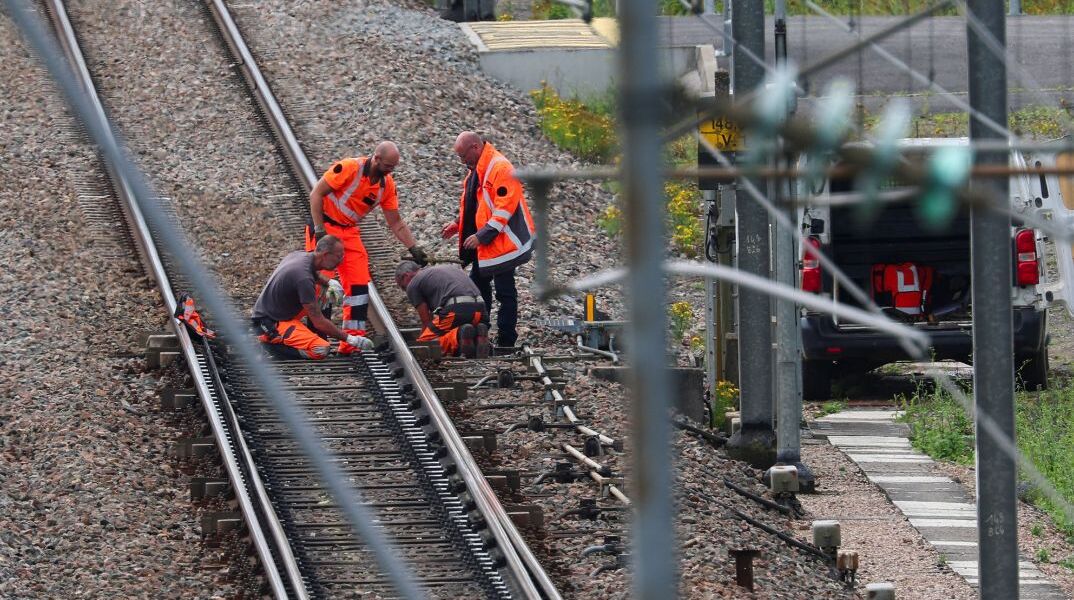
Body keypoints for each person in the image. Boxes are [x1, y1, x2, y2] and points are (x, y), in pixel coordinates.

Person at [306, 141, 428, 354]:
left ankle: (352, 342)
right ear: (376, 159)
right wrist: (319, 231)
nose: (390, 171)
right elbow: (316, 193)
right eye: (388, 166)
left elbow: (396, 222)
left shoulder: (386, 186)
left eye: (393, 167)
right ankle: (316, 339)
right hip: (326, 226)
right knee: (321, 284)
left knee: (358, 285)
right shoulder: (349, 168)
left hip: (349, 232)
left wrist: (413, 248)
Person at [441, 131, 535, 349]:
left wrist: (480, 236)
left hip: (504, 245)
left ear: (475, 147)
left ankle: (506, 340)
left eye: (463, 156)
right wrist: (458, 224)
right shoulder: (480, 168)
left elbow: (503, 210)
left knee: (504, 292)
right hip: (489, 245)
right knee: (478, 288)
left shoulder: (500, 168)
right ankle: (481, 333)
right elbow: (479, 205)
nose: (462, 161)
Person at [252, 235, 373, 359]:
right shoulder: (303, 279)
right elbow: (319, 322)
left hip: (280, 313)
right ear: (326, 255)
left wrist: (330, 282)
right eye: (339, 256)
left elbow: (315, 275)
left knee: (322, 291)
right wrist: (351, 339)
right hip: (269, 324)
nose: (341, 261)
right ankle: (272, 346)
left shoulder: (301, 256)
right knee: (321, 349)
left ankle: (312, 336)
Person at [395, 261, 490, 358]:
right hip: (481, 309)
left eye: (403, 287)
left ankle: (458, 335)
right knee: (456, 326)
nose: (405, 290)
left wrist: (421, 342)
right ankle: (477, 335)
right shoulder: (444, 269)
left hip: (457, 309)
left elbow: (426, 321)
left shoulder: (413, 284)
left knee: (425, 344)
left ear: (406, 276)